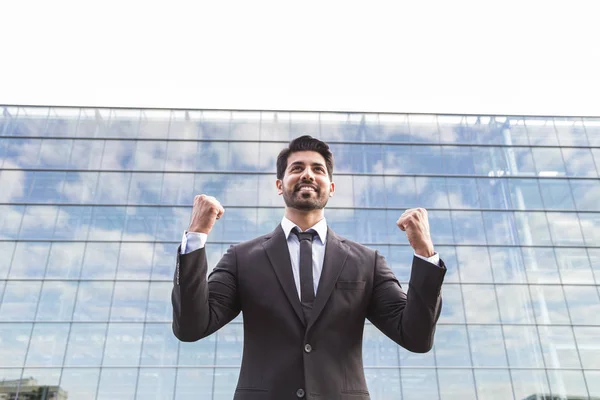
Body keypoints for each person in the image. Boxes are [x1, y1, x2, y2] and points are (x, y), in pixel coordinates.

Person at [172, 135, 446, 400]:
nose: (307, 175)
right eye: (297, 168)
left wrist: (425, 254)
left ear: (331, 187)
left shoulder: (367, 262)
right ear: (280, 185)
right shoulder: (241, 258)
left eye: (318, 169)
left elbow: (416, 337)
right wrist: (196, 235)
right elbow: (191, 327)